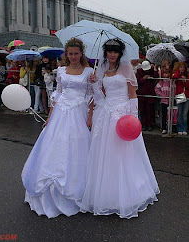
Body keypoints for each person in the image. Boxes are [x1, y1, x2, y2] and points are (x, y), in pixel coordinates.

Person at [79, 38, 159, 219]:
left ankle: (127, 192)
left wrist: (132, 117)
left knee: (124, 152)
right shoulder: (102, 70)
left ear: (120, 53)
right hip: (106, 113)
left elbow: (132, 95)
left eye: (115, 51)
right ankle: (107, 192)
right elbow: (99, 98)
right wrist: (94, 83)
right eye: (109, 51)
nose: (112, 54)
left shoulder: (126, 69)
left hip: (123, 115)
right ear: (106, 52)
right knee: (105, 153)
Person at [21, 38, 94, 218]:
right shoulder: (61, 70)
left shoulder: (89, 72)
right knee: (55, 144)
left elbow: (91, 96)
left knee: (77, 145)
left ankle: (79, 188)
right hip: (61, 110)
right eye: (70, 53)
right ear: (66, 54)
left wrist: (90, 117)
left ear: (81, 54)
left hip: (79, 111)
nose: (74, 56)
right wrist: (50, 116)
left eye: (76, 53)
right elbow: (57, 94)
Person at [136, 60, 158, 131]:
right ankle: (143, 125)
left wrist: (155, 69)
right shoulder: (139, 72)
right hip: (141, 94)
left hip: (150, 94)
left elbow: (156, 77)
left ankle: (149, 125)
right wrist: (144, 78)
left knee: (149, 111)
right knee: (142, 111)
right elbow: (138, 81)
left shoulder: (151, 71)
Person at [172, 62, 189, 135]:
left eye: (183, 67)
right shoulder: (177, 75)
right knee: (179, 113)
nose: (182, 69)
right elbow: (174, 77)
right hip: (179, 95)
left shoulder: (187, 76)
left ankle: (184, 128)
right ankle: (180, 128)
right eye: (180, 67)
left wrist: (185, 81)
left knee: (184, 114)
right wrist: (179, 74)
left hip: (186, 96)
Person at [155, 66, 171, 135]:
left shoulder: (171, 81)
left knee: (170, 115)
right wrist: (162, 94)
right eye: (164, 73)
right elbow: (156, 89)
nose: (165, 75)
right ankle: (164, 128)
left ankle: (170, 127)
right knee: (164, 115)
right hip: (164, 100)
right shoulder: (161, 82)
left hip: (170, 100)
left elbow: (174, 89)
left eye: (167, 73)